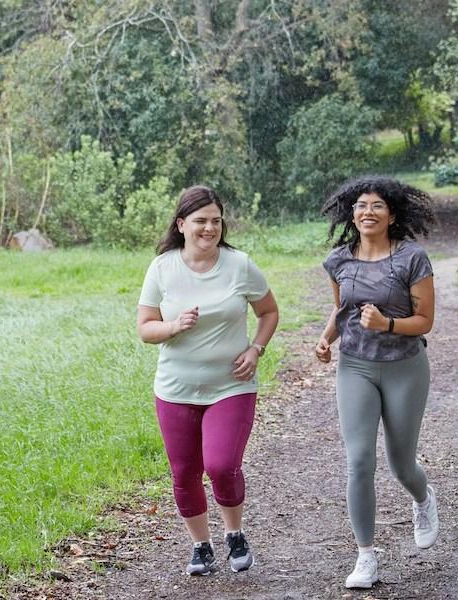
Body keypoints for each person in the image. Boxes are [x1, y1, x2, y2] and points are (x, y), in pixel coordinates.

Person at [136, 185, 280, 576]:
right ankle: (201, 545)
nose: (209, 228)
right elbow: (145, 328)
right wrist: (173, 326)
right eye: (200, 221)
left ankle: (234, 533)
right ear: (182, 224)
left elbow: (268, 312)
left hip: (231, 385)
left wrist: (256, 349)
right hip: (175, 389)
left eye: (216, 221)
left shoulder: (239, 264)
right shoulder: (162, 268)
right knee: (183, 472)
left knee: (221, 465)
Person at [313, 176, 439, 589]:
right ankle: (365, 556)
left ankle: (423, 499)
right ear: (352, 214)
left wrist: (387, 323)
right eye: (361, 205)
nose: (368, 211)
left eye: (378, 206)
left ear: (392, 215)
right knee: (360, 461)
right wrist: (326, 338)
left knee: (401, 464)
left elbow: (426, 322)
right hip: (356, 367)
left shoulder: (411, 258)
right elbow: (342, 310)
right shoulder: (338, 261)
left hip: (405, 367)